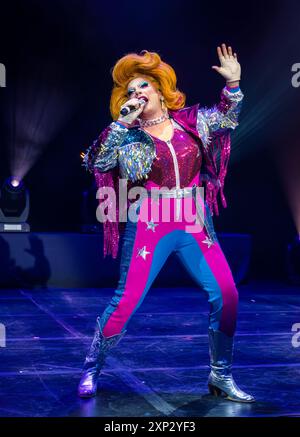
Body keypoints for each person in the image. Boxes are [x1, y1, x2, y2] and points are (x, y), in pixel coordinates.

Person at [78, 44, 255, 403]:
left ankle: (220, 376)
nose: (136, 94)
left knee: (227, 294)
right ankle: (91, 368)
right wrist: (121, 122)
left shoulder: (192, 121)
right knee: (126, 301)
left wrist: (233, 84)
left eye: (143, 86)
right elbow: (96, 163)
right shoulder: (127, 134)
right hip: (151, 221)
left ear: (159, 88)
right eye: (129, 92)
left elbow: (227, 118)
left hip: (192, 218)